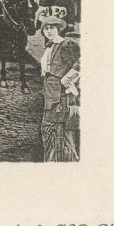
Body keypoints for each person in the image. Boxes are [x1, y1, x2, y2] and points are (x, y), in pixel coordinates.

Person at [39, 16, 80, 161]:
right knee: (51, 133)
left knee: (57, 133)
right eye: (46, 28)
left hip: (60, 98)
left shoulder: (66, 44)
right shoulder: (50, 46)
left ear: (58, 29)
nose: (49, 31)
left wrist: (65, 80)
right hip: (50, 95)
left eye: (52, 28)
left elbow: (80, 64)